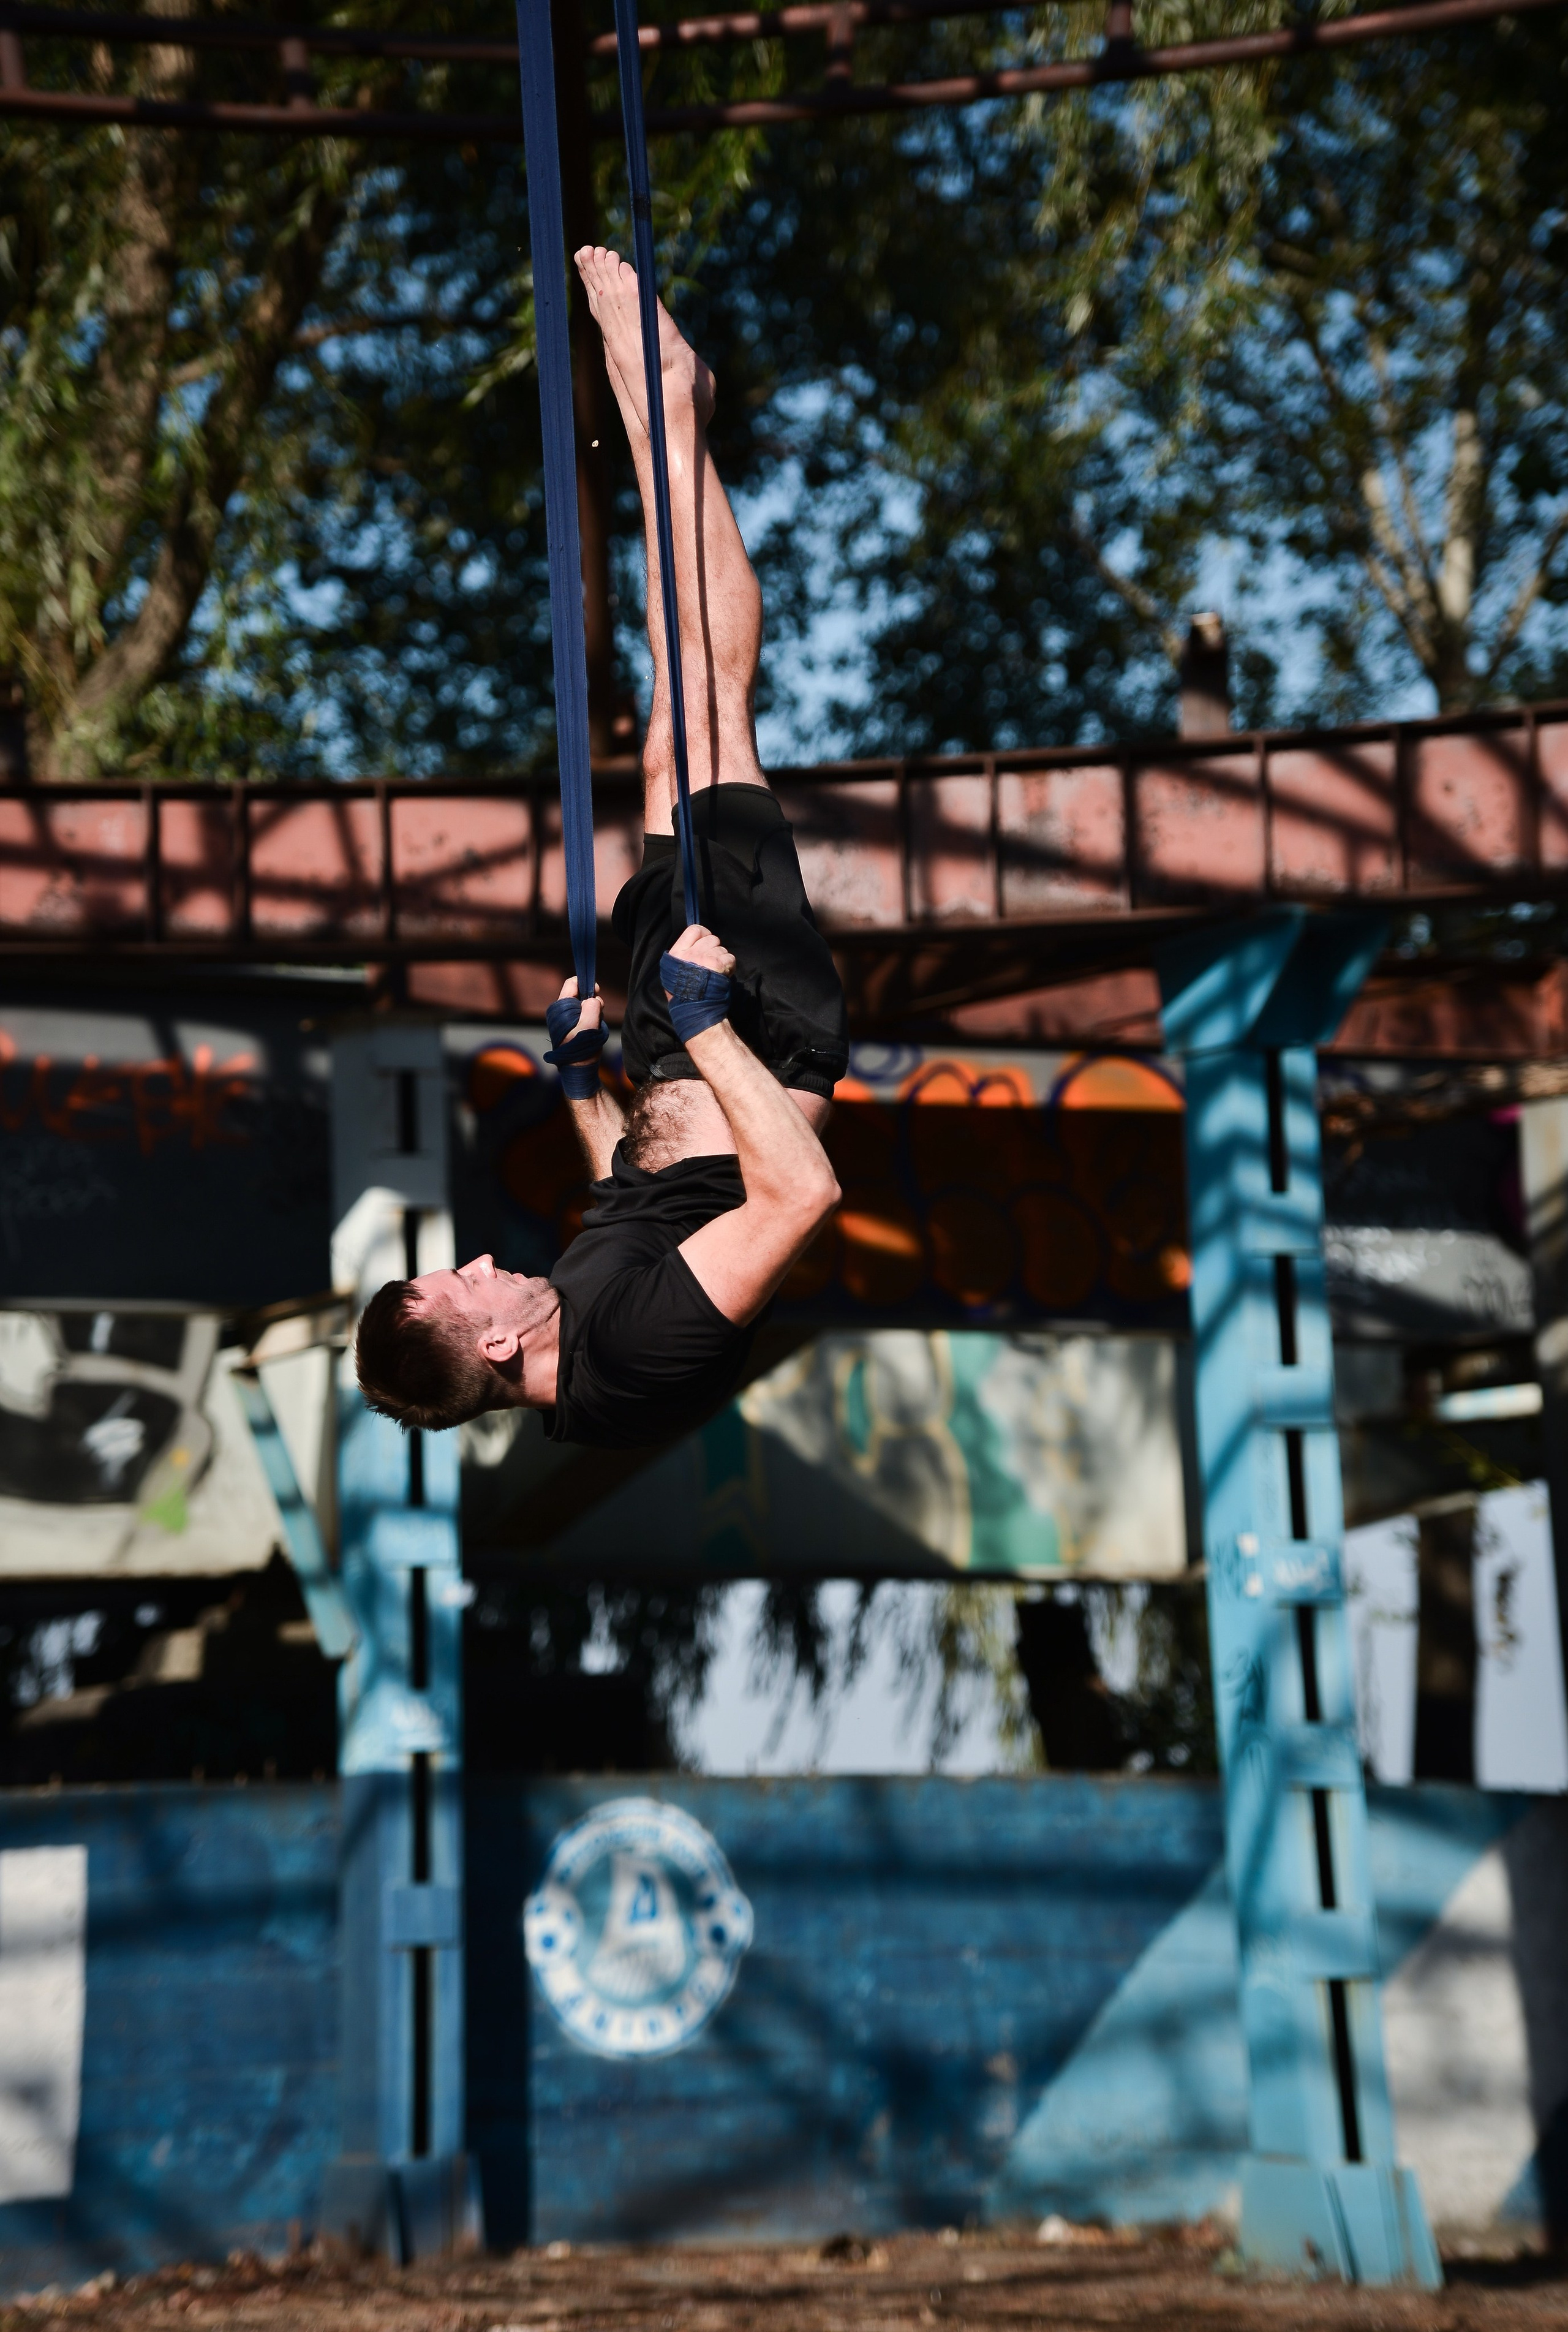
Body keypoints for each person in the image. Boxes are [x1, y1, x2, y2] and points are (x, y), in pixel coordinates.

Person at [354, 246, 847, 1447]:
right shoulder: (630, 1358)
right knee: (713, 711)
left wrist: (583, 1086)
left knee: (671, 737)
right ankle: (669, 414)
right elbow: (799, 1194)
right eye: (464, 1284)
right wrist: (710, 1025)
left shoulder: (567, 1328)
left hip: (677, 1048)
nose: (480, 1260)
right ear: (493, 1344)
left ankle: (673, 422)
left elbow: (632, 1202)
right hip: (755, 1030)